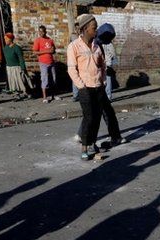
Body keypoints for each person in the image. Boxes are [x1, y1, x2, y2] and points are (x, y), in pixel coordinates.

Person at [68, 15, 115, 160]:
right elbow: (71, 69)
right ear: (85, 29)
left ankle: (92, 144)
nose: (96, 31)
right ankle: (84, 147)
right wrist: (81, 87)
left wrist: (103, 81)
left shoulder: (97, 45)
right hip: (85, 88)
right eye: (93, 28)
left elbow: (102, 64)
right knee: (89, 118)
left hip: (98, 87)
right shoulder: (74, 46)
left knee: (96, 118)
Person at [33, 25, 59, 103]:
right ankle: (44, 97)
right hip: (43, 63)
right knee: (45, 80)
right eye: (40, 31)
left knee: (53, 79)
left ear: (45, 32)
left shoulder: (50, 40)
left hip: (51, 62)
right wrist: (47, 51)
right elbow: (35, 52)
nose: (41, 33)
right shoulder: (37, 40)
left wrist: (52, 50)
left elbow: (53, 50)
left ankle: (53, 95)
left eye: (42, 31)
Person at [2, 33, 30, 101]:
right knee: (13, 82)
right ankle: (17, 95)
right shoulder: (5, 48)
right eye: (4, 39)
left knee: (21, 81)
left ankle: (27, 92)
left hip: (17, 67)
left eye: (6, 39)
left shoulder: (17, 48)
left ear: (11, 39)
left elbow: (21, 58)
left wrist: (23, 68)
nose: (5, 40)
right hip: (9, 67)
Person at [70, 22, 80, 102]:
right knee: (74, 76)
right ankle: (75, 95)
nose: (77, 29)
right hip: (74, 57)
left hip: (81, 58)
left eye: (79, 28)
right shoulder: (73, 36)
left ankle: (81, 94)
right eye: (76, 28)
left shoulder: (83, 36)